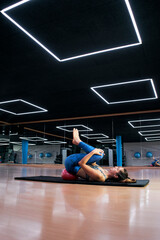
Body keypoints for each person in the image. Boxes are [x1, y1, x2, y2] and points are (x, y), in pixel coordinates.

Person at [64, 128, 135, 183]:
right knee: (99, 155)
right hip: (75, 163)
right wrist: (95, 157)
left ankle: (77, 141)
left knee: (98, 155)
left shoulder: (100, 176)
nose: (115, 166)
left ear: (115, 176)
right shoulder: (105, 172)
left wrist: (93, 152)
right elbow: (92, 164)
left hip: (71, 164)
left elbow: (81, 163)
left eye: (117, 169)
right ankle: (77, 141)